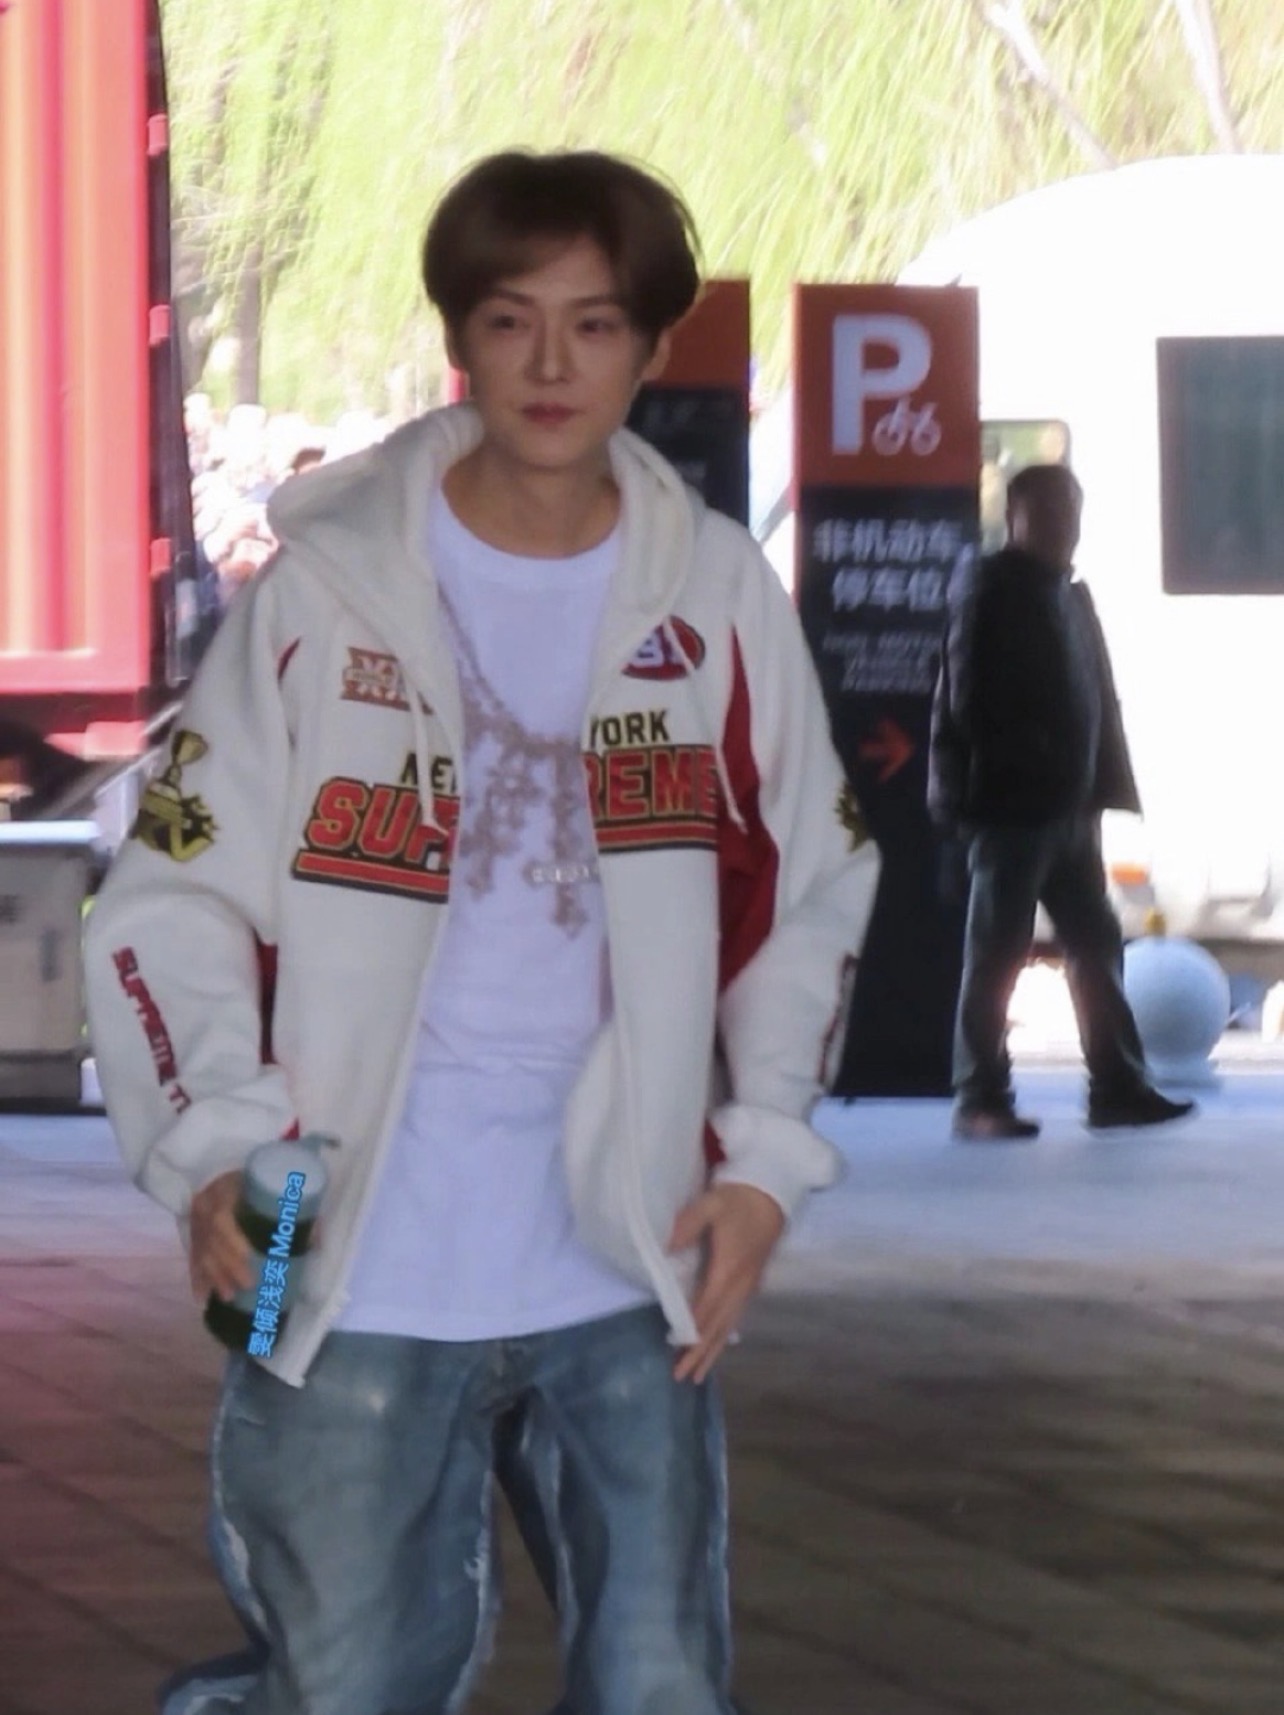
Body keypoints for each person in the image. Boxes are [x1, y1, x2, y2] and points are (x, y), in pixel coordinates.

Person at [84, 149, 880, 1715]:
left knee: (661, 1684)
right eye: (513, 320)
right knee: (352, 1687)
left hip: (625, 1253)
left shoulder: (714, 598)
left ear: (653, 349)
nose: (551, 364)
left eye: (596, 324)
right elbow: (176, 884)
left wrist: (764, 1163)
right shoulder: (325, 592)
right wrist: (213, 1140)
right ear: (460, 336)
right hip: (346, 1252)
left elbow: (810, 882)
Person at [928, 461, 1194, 1141]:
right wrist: (1024, 766)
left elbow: (1098, 697)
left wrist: (1097, 787)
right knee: (997, 954)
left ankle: (1118, 1086)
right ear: (1013, 516)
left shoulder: (1069, 594)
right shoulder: (987, 588)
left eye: (1071, 512)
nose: (1064, 526)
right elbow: (970, 701)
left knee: (1096, 944)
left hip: (1071, 809)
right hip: (1011, 807)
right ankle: (980, 1097)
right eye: (1048, 512)